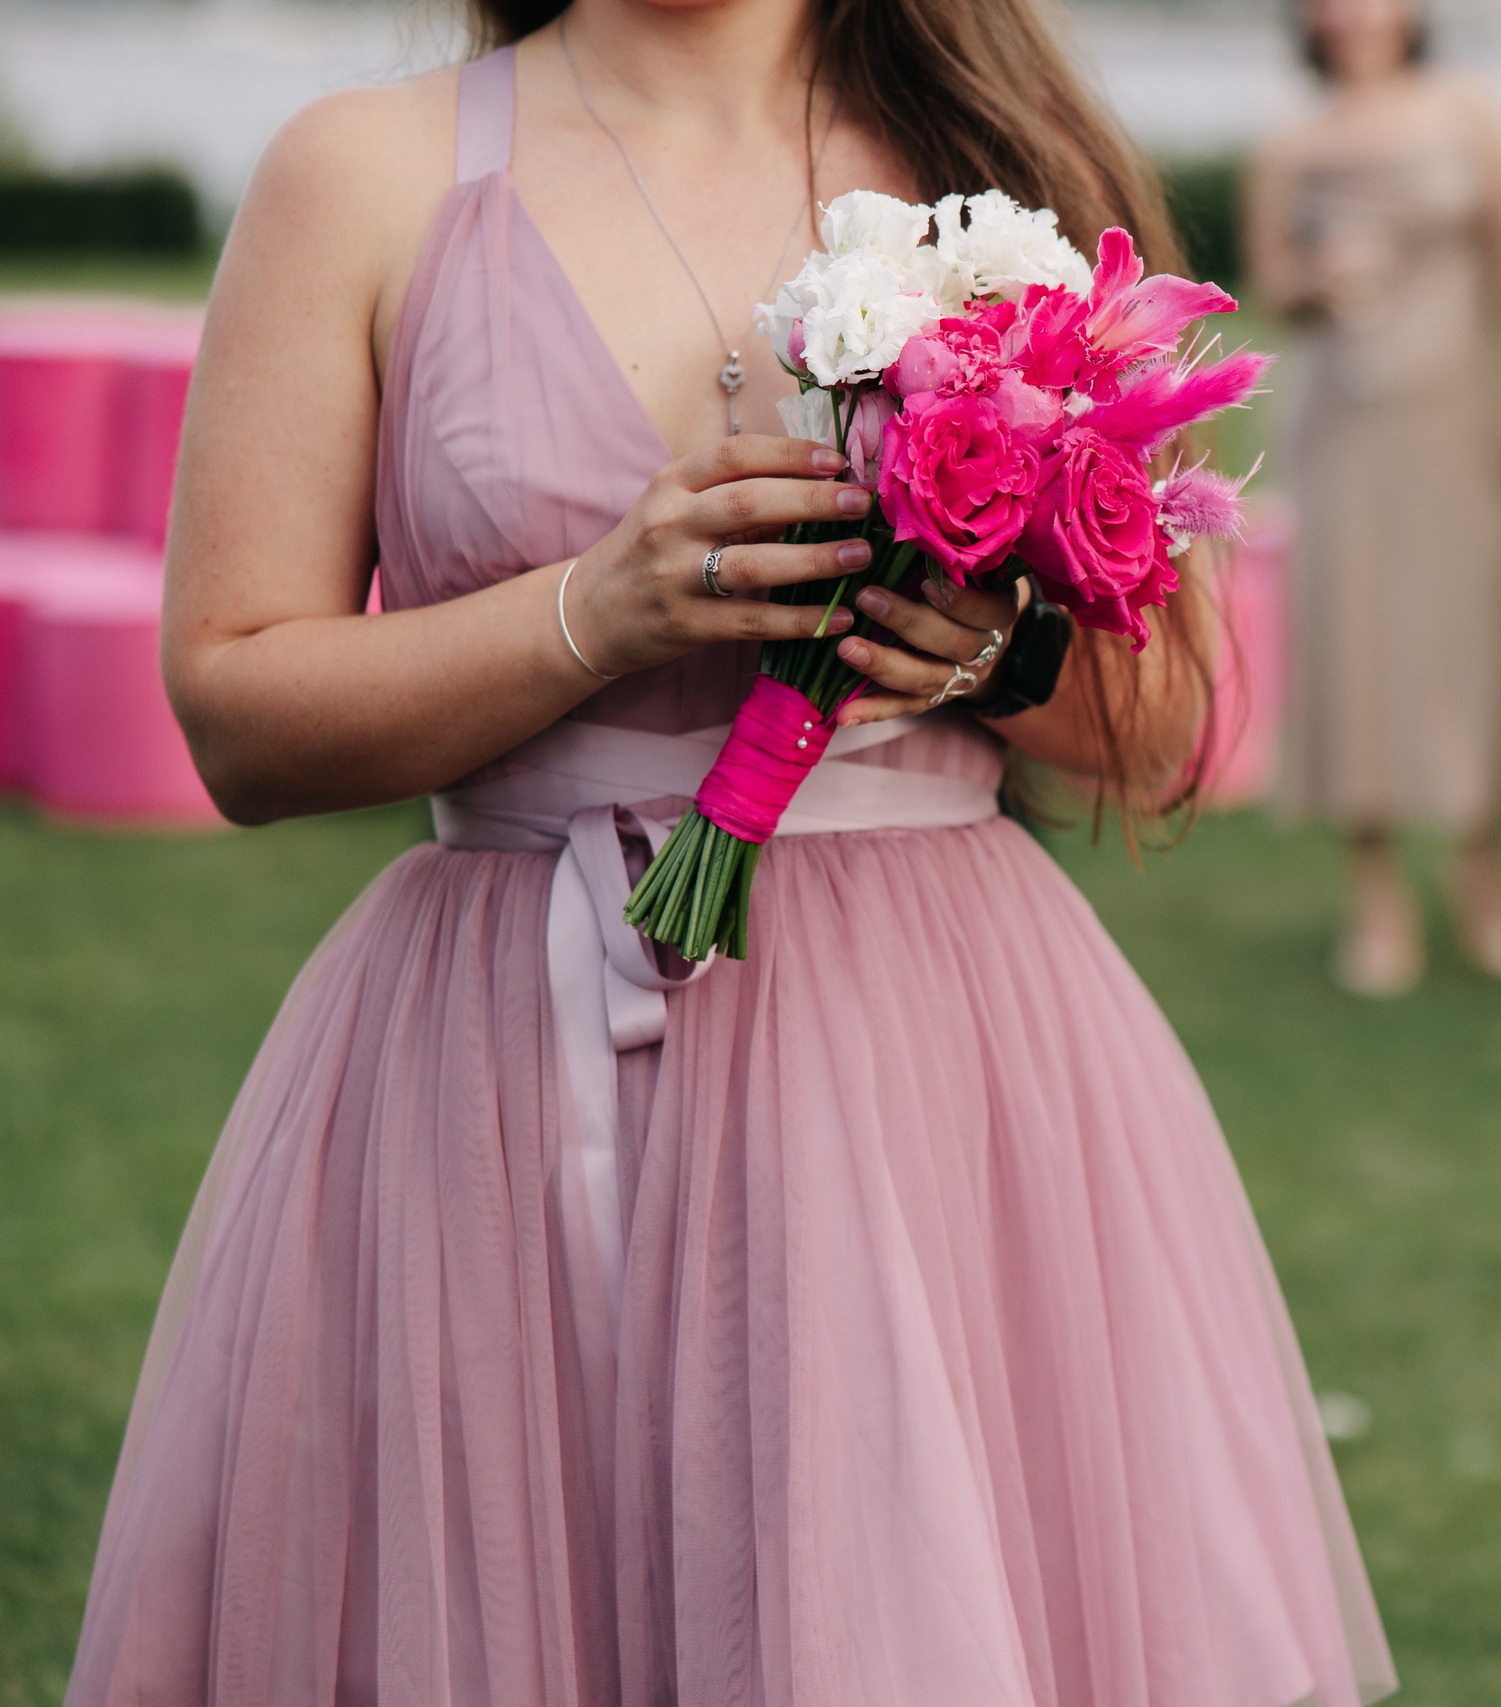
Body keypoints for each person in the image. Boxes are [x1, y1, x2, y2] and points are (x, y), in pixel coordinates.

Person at [64, 2, 1398, 1702]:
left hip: (937, 1068)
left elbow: (1176, 720)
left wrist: (995, 654)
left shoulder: (1007, 172)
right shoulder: (364, 175)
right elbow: (239, 713)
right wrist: (585, 614)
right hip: (493, 1078)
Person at [1248, 0, 1501, 998]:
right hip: (1346, 419)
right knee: (1355, 640)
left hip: (1456, 414)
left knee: (1469, 637)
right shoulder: (1290, 142)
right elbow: (1271, 285)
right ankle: (1375, 890)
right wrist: (1316, 284)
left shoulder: (1470, 108)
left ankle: (1482, 867)